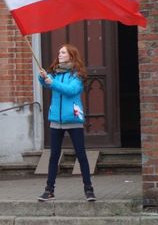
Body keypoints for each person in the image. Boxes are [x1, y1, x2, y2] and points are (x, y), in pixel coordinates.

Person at [37, 43, 96, 202]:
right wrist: (42, 77)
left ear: (71, 55)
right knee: (53, 156)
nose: (59, 54)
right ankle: (49, 190)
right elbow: (46, 84)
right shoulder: (55, 73)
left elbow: (71, 91)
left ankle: (89, 189)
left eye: (63, 52)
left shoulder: (77, 75)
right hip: (56, 119)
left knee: (81, 155)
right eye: (59, 52)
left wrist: (52, 82)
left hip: (73, 119)